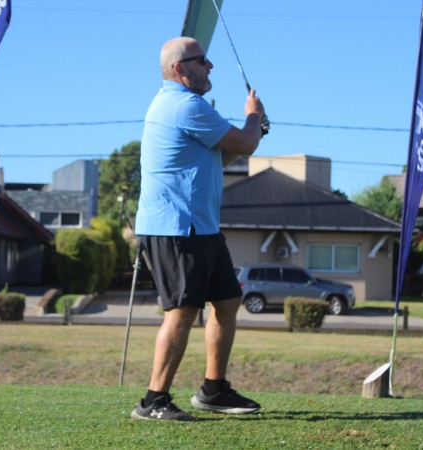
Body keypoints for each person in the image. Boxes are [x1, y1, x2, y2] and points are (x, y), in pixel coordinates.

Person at [131, 36, 266, 421]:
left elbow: (221, 155)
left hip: (200, 227)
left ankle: (213, 390)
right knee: (183, 310)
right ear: (179, 69)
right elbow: (246, 142)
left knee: (227, 301)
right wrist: (254, 117)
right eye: (202, 60)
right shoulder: (184, 106)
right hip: (176, 227)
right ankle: (153, 401)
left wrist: (254, 130)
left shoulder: (183, 106)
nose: (210, 66)